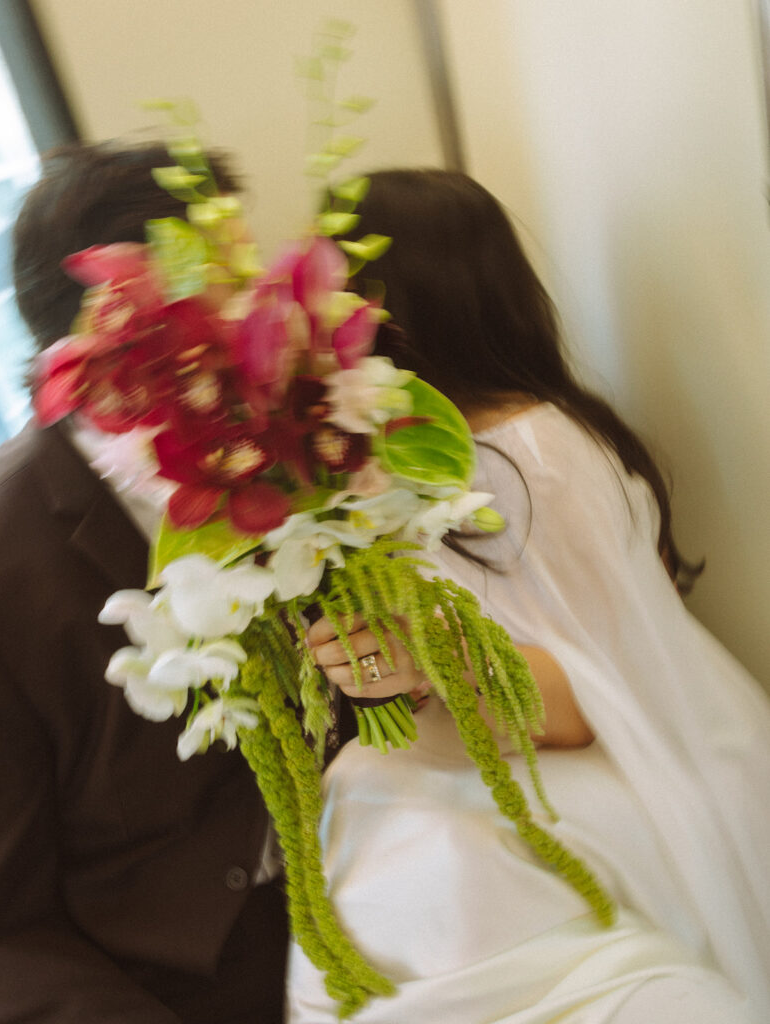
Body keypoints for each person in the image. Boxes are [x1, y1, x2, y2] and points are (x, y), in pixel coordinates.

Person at [286, 170, 770, 1022]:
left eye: (341, 293)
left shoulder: (536, 455)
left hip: (579, 753)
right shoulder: (390, 454)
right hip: (449, 750)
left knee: (430, 890)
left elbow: (599, 697)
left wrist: (424, 664)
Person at [0, 142, 292, 1024]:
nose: (265, 307)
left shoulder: (272, 451)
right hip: (190, 978)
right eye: (233, 277)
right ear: (120, 315)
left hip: (373, 856)